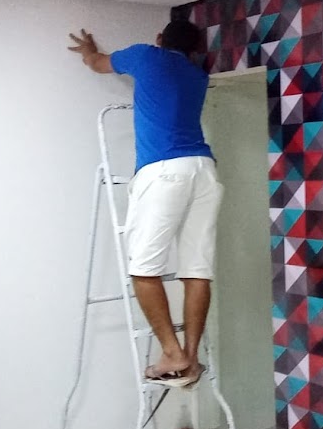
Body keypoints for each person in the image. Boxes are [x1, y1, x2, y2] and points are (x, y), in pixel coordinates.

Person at [68, 19, 221, 387]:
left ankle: (172, 353)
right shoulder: (197, 75)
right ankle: (190, 358)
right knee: (196, 270)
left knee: (143, 269)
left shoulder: (146, 56)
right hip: (204, 170)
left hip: (164, 171)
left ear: (159, 39)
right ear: (193, 49)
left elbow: (99, 63)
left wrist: (89, 51)